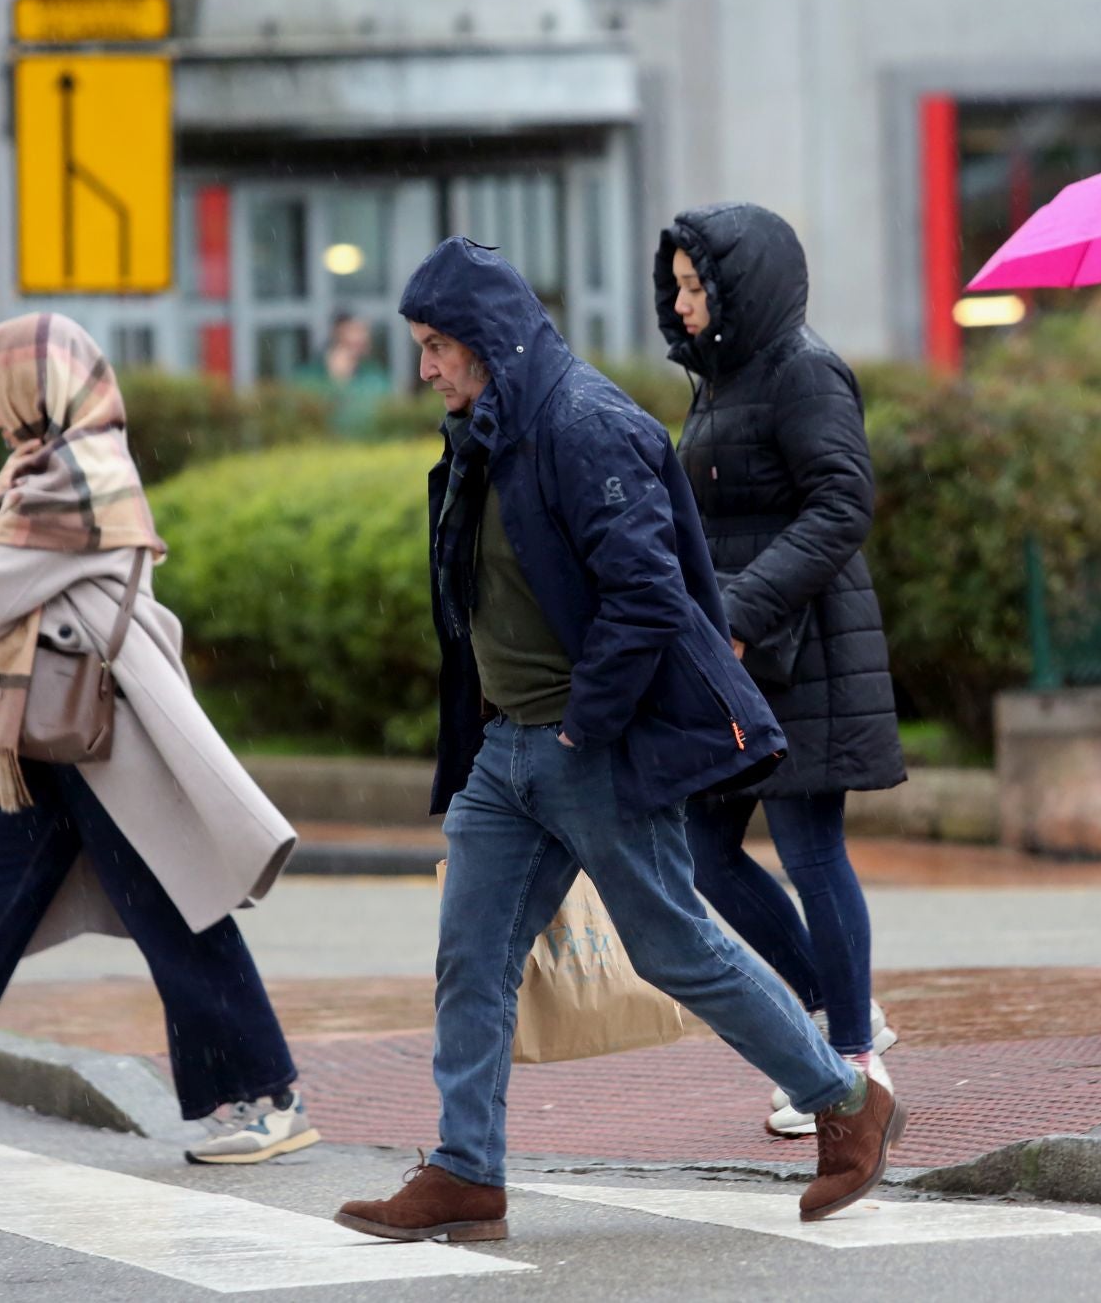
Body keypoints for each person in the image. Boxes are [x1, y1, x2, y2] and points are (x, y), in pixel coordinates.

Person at [333, 239, 906, 1243]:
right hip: (507, 754)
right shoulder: (487, 425)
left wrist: (582, 725)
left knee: (673, 945)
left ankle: (847, 1100)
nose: (424, 368)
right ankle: (467, 1169)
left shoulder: (583, 424)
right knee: (471, 960)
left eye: (435, 347)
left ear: (487, 341)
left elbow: (647, 596)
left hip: (587, 746)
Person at [0, 313, 316, 1168]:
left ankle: (272, 1097)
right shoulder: (42, 469)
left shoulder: (82, 470)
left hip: (105, 739)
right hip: (48, 734)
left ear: (45, 386)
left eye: (4, 389)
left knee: (174, 913)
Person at [655, 203, 907, 1137]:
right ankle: (833, 1004)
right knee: (706, 852)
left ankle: (850, 1054)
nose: (683, 303)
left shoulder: (805, 369)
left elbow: (843, 505)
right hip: (738, 656)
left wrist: (740, 610)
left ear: (741, 283)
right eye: (676, 285)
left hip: (804, 653)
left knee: (809, 850)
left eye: (698, 285)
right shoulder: (722, 379)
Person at [292, 312, 392, 436]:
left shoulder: (374, 374)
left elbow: (387, 412)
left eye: (364, 331)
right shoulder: (309, 376)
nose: (363, 337)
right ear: (338, 333)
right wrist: (338, 381)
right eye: (355, 330)